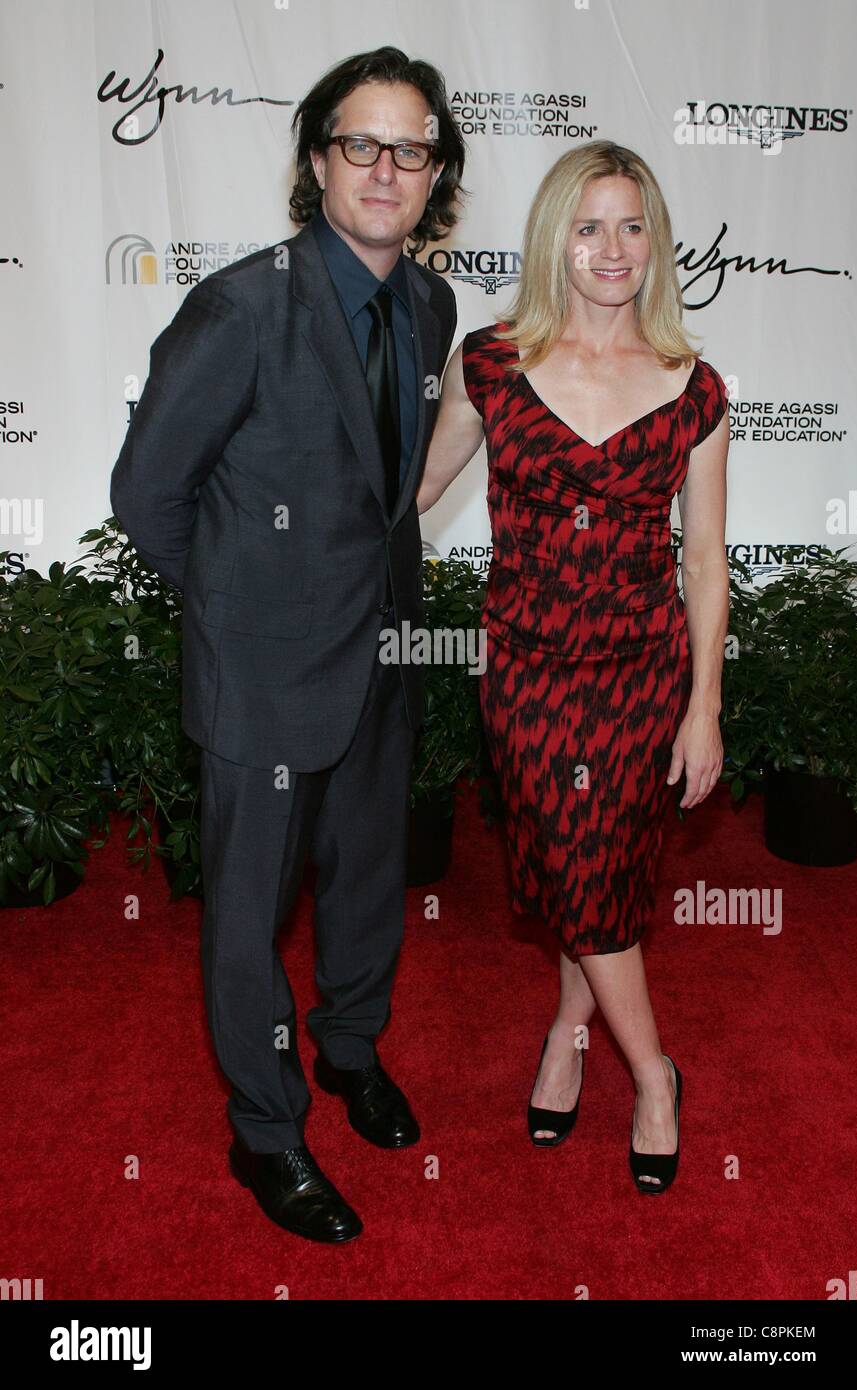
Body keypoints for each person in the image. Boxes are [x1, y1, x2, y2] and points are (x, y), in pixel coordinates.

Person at [110, 46, 465, 1241]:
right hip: (263, 674)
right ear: (317, 162)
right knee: (250, 911)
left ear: (432, 176)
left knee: (367, 880)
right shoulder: (243, 304)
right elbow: (148, 492)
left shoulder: (429, 303)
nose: (383, 167)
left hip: (383, 659)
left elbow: (386, 488)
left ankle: (349, 1053)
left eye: (408, 148)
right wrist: (242, 616)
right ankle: (265, 1131)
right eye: (359, 143)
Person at [417, 140, 729, 1194]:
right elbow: (407, 497)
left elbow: (701, 557)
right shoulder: (491, 364)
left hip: (643, 671)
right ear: (555, 236)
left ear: (655, 243)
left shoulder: (693, 388)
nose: (610, 248)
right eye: (588, 225)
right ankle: (652, 1068)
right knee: (571, 864)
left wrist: (704, 709)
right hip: (527, 672)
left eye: (631, 225)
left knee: (600, 871)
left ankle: (577, 1036)